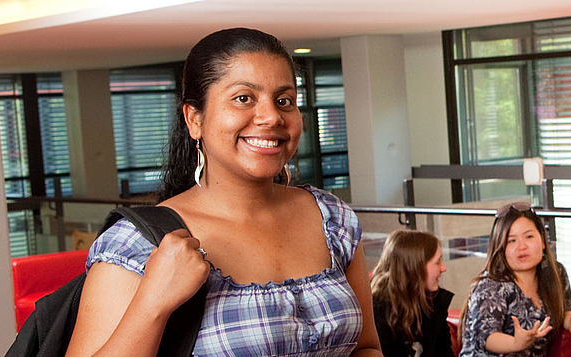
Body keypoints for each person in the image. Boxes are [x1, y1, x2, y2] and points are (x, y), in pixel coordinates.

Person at [66, 28, 382, 356]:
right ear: (194, 119)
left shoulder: (332, 218)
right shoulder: (140, 244)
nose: (272, 116)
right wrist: (152, 305)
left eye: (284, 101)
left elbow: (366, 348)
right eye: (243, 98)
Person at [458, 202, 571, 357]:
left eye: (529, 237)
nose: (522, 246)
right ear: (501, 247)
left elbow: (561, 312)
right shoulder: (490, 285)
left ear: (542, 241)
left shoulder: (557, 273)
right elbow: (486, 337)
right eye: (512, 241)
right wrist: (517, 343)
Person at [372, 230, 455, 357]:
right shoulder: (375, 313)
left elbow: (444, 353)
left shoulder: (435, 304)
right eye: (437, 262)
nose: (444, 268)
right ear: (416, 267)